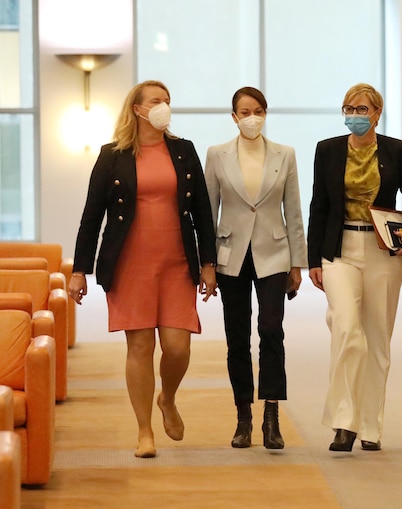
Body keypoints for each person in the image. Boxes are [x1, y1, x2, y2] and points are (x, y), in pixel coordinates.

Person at [69, 80, 218, 458]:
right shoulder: (112, 155)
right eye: (156, 101)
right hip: (129, 265)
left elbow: (202, 210)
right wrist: (79, 269)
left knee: (177, 347)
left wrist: (208, 263)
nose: (163, 106)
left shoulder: (184, 152)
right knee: (139, 346)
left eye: (167, 100)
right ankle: (144, 432)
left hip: (176, 263)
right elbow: (92, 216)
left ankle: (166, 398)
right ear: (137, 109)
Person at [307, 83, 402, 452]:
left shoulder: (395, 149)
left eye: (362, 109)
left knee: (377, 339)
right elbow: (319, 205)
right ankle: (344, 422)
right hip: (340, 250)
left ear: (377, 112)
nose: (355, 115)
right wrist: (314, 259)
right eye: (348, 108)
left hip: (381, 251)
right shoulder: (327, 150)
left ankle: (371, 425)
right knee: (346, 329)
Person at [204, 87, 307, 450]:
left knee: (271, 330)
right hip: (231, 252)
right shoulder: (216, 155)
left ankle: (271, 416)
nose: (252, 117)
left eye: (258, 110)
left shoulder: (285, 154)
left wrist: (298, 263)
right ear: (234, 116)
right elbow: (207, 212)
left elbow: (293, 211)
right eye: (245, 112)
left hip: (274, 252)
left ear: (266, 113)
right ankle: (243, 416)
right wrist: (207, 264)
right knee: (237, 337)